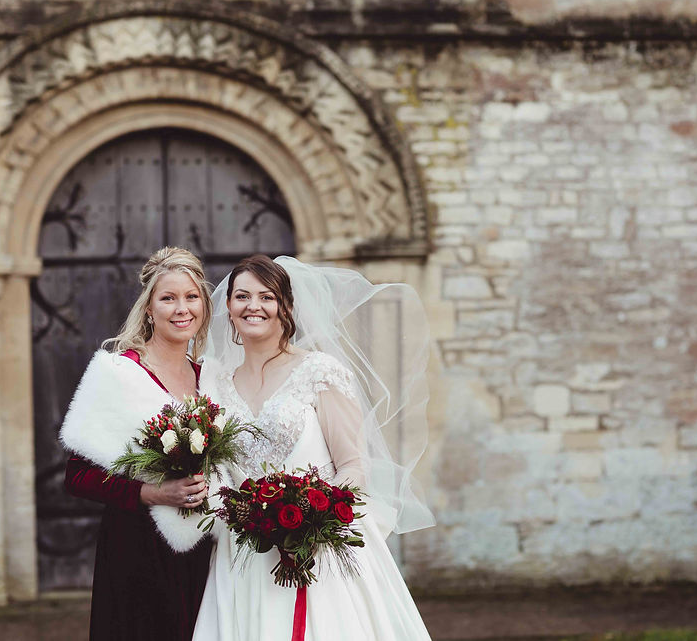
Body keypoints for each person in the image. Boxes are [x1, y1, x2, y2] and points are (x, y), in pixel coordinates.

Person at [191, 254, 436, 640]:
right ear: (228, 307)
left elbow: (354, 464)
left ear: (285, 306)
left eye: (266, 297)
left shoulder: (319, 371)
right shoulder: (216, 384)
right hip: (245, 553)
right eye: (242, 296)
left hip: (319, 548)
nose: (253, 306)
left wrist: (314, 519)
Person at [59, 247, 213, 641]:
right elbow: (77, 477)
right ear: (149, 308)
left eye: (191, 297)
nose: (182, 309)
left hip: (201, 550)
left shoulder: (209, 376)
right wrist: (152, 492)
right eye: (168, 298)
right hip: (136, 548)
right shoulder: (118, 373)